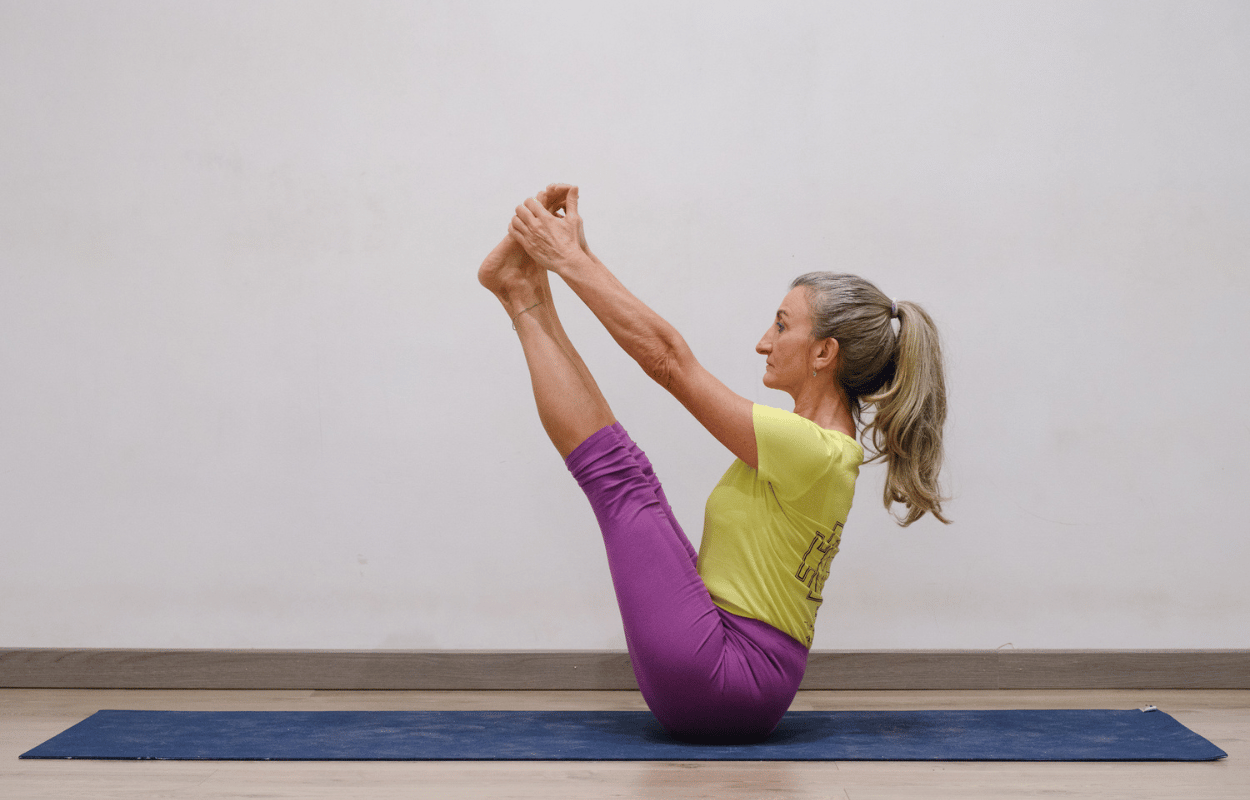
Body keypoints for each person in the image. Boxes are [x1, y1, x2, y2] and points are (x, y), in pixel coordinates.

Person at [478, 184, 949, 743]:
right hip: (733, 673)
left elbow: (668, 360)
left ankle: (522, 295)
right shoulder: (812, 447)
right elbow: (665, 355)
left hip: (723, 678)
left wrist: (569, 260)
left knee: (623, 482)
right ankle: (522, 292)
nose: (762, 342)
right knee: (628, 482)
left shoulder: (816, 451)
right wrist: (580, 256)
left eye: (780, 325)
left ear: (825, 353)